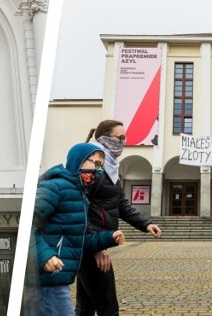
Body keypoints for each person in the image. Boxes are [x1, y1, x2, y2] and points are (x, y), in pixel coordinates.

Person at [75, 120, 162, 316]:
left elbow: (120, 204)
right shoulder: (92, 169)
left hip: (94, 243)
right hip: (91, 244)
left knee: (86, 307)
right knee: (108, 308)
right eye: (119, 138)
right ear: (104, 138)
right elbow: (79, 208)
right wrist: (96, 245)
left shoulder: (110, 168)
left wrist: (146, 224)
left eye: (124, 138)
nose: (122, 142)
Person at [29, 142, 125, 316]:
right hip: (48, 281)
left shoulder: (81, 196)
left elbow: (77, 239)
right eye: (95, 164)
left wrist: (108, 237)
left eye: (100, 166)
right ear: (78, 161)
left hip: (58, 278)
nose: (98, 170)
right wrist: (45, 255)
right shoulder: (56, 187)